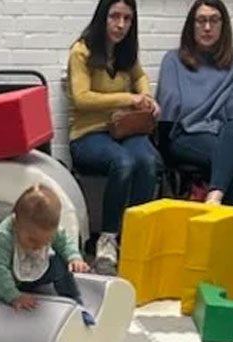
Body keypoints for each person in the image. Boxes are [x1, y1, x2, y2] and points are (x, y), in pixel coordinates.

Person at [157, 0, 233, 268]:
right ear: (191, 26)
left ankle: (214, 199)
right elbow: (170, 115)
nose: (207, 27)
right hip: (186, 137)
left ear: (223, 25)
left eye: (214, 20)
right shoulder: (173, 60)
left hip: (229, 136)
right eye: (201, 21)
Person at [66, 0, 163, 274]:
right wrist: (129, 97)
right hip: (88, 135)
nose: (121, 25)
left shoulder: (125, 52)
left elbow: (140, 75)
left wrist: (147, 98)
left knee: (147, 161)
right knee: (124, 163)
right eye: (115, 17)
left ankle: (135, 238)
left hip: (124, 130)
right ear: (102, 17)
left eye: (127, 19)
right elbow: (81, 98)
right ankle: (107, 240)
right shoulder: (81, 51)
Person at [0, 183, 91, 321]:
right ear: (17, 224)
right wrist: (14, 296)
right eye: (32, 240)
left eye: (45, 242)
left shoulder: (50, 232)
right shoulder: (1, 238)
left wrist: (74, 258)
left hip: (31, 275)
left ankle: (74, 301)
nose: (38, 247)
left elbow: (65, 243)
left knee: (59, 263)